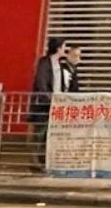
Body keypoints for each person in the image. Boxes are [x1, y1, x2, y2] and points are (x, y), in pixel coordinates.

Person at [28, 37, 70, 170]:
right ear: (58, 48)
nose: (65, 49)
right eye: (64, 46)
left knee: (49, 134)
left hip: (56, 105)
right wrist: (49, 98)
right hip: (44, 105)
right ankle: (34, 163)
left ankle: (45, 161)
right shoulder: (44, 63)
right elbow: (41, 83)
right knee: (39, 133)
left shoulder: (60, 64)